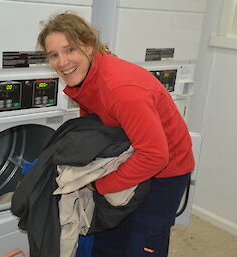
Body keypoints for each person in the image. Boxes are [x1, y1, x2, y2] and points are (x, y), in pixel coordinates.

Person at [37, 11, 195, 257]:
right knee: (110, 239)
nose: (62, 62)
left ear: (89, 47)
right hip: (129, 156)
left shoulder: (121, 89)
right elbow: (95, 130)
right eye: (53, 55)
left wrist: (99, 184)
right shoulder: (85, 79)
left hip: (166, 170)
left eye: (70, 50)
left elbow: (155, 156)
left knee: (142, 243)